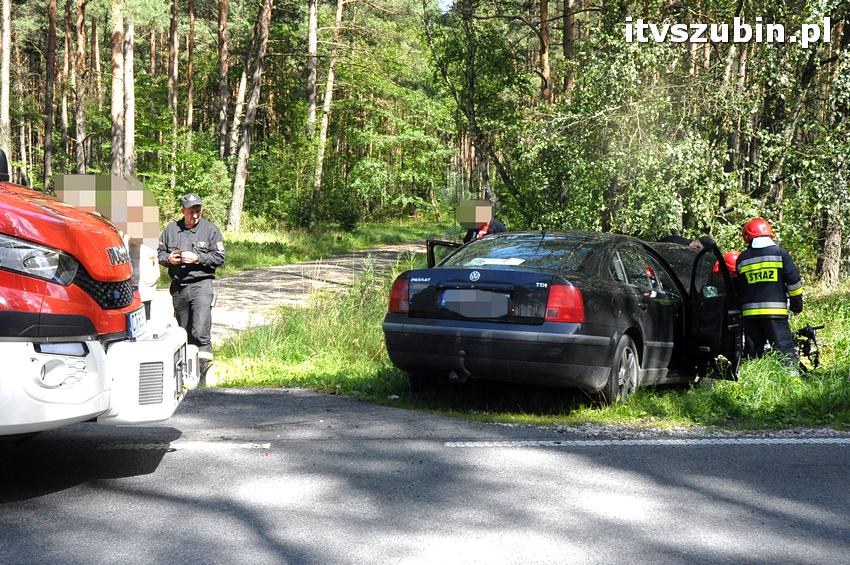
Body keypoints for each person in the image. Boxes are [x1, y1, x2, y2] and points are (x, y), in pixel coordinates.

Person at [157, 194, 225, 383]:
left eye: (198, 211)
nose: (195, 215)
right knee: (183, 332)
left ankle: (203, 377)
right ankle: (185, 376)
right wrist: (168, 259)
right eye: (191, 212)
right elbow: (159, 253)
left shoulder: (210, 230)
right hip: (179, 287)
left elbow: (219, 258)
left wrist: (198, 258)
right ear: (183, 211)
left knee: (200, 331)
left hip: (201, 285)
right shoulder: (171, 230)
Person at [735, 217, 802, 367]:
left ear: (747, 236)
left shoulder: (742, 259)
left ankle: (751, 380)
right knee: (784, 351)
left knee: (753, 353)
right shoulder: (780, 254)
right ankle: (791, 380)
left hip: (750, 317)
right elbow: (794, 282)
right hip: (775, 314)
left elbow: (739, 289)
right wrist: (797, 305)